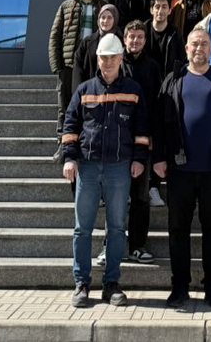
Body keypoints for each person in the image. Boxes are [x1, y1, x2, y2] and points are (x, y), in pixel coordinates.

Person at [153, 29, 211, 309]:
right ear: (187, 48)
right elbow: (158, 122)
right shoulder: (173, 80)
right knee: (177, 229)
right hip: (178, 171)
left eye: (204, 43)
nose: (199, 48)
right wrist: (158, 157)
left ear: (210, 48)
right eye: (195, 43)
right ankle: (179, 287)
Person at [61, 34, 150, 308]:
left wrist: (139, 159)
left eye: (113, 57)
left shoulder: (134, 90)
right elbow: (70, 125)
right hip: (87, 167)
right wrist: (69, 158)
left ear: (121, 59)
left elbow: (142, 130)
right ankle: (82, 282)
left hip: (119, 168)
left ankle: (111, 283)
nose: (108, 62)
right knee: (82, 229)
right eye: (103, 57)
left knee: (117, 228)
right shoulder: (84, 89)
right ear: (97, 59)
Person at [93, 20, 165, 268]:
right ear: (124, 40)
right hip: (116, 143)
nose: (135, 41)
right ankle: (109, 247)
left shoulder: (153, 67)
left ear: (145, 40)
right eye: (131, 37)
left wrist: (154, 137)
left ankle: (137, 246)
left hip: (142, 141)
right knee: (115, 198)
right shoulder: (115, 66)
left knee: (141, 197)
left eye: (139, 38)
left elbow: (157, 105)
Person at [48, 0, 102, 161]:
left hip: (92, 66)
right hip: (69, 64)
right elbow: (55, 36)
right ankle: (62, 146)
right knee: (65, 107)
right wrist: (58, 66)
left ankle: (85, 144)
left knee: (90, 106)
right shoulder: (66, 6)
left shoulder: (101, 7)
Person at [71, 4, 122, 92]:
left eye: (109, 17)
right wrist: (79, 92)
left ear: (115, 19)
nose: (105, 21)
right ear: (98, 19)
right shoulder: (86, 42)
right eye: (103, 17)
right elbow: (78, 69)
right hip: (91, 92)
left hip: (116, 91)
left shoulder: (121, 41)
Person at [145, 0, 186, 77]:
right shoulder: (143, 32)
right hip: (146, 83)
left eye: (164, 7)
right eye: (157, 7)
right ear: (151, 10)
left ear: (169, 10)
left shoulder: (176, 35)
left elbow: (182, 62)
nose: (160, 11)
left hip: (168, 84)